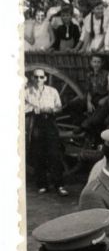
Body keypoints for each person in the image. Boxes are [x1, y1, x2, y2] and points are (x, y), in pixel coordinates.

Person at [25, 68, 67, 196]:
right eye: (36, 77)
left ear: (45, 78)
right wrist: (34, 109)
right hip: (36, 123)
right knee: (39, 154)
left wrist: (51, 109)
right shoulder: (27, 93)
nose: (39, 80)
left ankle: (59, 185)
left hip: (50, 122)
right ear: (32, 78)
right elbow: (23, 109)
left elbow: (59, 107)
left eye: (41, 77)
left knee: (55, 153)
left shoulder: (52, 91)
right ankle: (42, 185)